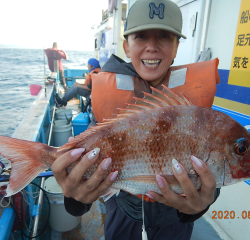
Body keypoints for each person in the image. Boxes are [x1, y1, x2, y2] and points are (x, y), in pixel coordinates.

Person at [51, 0, 221, 239]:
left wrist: (198, 207)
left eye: (164, 36)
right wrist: (75, 200)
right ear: (127, 47)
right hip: (123, 215)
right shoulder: (109, 105)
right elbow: (88, 166)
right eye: (140, 36)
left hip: (174, 222)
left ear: (176, 47)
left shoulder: (193, 113)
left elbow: (210, 175)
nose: (151, 47)